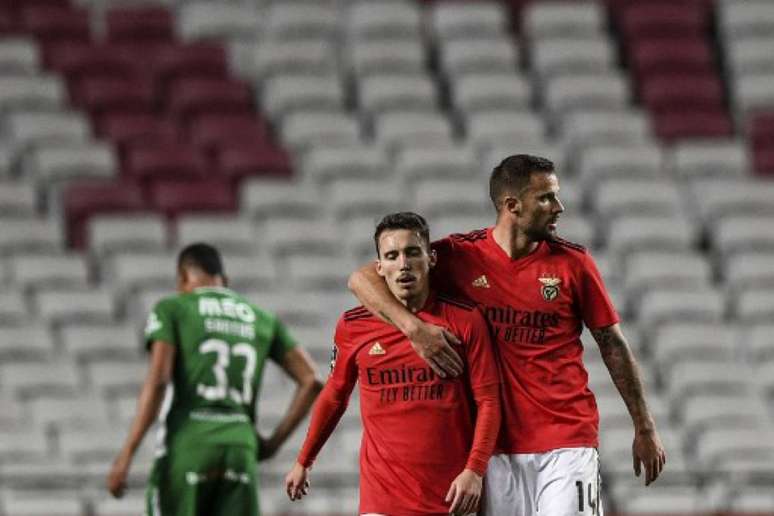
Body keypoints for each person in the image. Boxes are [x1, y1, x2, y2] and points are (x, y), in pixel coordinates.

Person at [348, 155, 666, 515]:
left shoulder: (574, 264)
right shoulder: (459, 257)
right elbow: (361, 279)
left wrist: (644, 426)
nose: (558, 207)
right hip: (493, 452)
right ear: (511, 205)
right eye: (546, 198)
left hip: (566, 440)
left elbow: (613, 344)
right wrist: (414, 329)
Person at [285, 212, 501, 515]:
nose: (403, 264)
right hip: (382, 500)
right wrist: (304, 460)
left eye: (412, 252)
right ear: (380, 267)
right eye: (392, 255)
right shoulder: (352, 326)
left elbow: (489, 401)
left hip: (452, 498)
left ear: (431, 258)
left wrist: (475, 470)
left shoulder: (465, 320)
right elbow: (335, 395)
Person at [107, 242, 322, 516]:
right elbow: (313, 380)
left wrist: (125, 456)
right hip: (240, 445)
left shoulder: (174, 308)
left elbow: (159, 380)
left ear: (183, 277)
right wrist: (272, 444)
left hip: (189, 441)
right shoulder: (261, 318)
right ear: (225, 281)